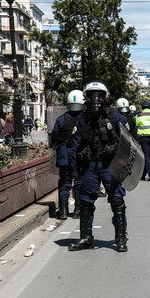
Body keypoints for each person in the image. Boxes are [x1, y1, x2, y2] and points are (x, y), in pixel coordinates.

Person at [69, 81, 130, 252]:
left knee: (117, 200)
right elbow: (75, 144)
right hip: (90, 165)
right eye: (92, 95)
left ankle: (120, 238)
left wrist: (123, 161)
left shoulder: (115, 117)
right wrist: (73, 167)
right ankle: (86, 238)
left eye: (99, 95)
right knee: (86, 200)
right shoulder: (82, 119)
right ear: (86, 98)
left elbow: (128, 140)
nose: (96, 99)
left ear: (105, 98)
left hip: (109, 165)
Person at [51, 90, 85, 220]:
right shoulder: (84, 119)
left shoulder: (61, 119)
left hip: (64, 154)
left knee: (65, 182)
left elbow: (54, 136)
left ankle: (64, 211)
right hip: (79, 155)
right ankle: (77, 211)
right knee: (79, 182)